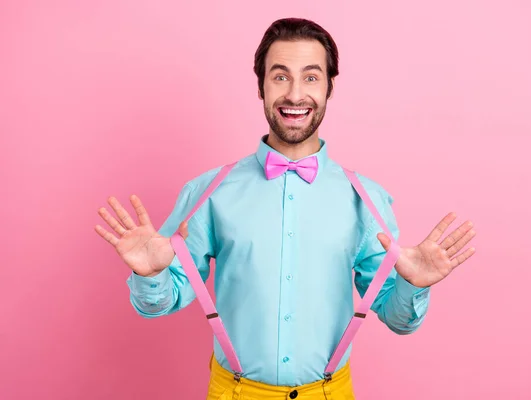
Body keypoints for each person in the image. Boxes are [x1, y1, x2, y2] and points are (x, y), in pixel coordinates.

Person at [95, 17, 476, 400]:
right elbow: (161, 302)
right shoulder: (208, 191)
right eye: (280, 76)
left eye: (311, 77)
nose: (295, 95)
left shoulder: (367, 199)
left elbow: (398, 318)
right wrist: (151, 276)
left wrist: (413, 285)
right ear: (260, 86)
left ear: (329, 87)